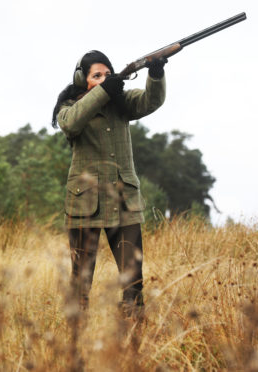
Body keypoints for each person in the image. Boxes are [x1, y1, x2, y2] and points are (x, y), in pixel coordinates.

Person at [51, 50, 166, 319]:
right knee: (81, 281)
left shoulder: (121, 102)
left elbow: (151, 100)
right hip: (85, 205)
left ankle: (132, 339)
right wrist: (104, 91)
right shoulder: (69, 107)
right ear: (83, 80)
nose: (104, 79)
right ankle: (74, 343)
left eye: (108, 75)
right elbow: (70, 124)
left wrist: (156, 73)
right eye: (96, 76)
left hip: (124, 202)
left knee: (133, 281)